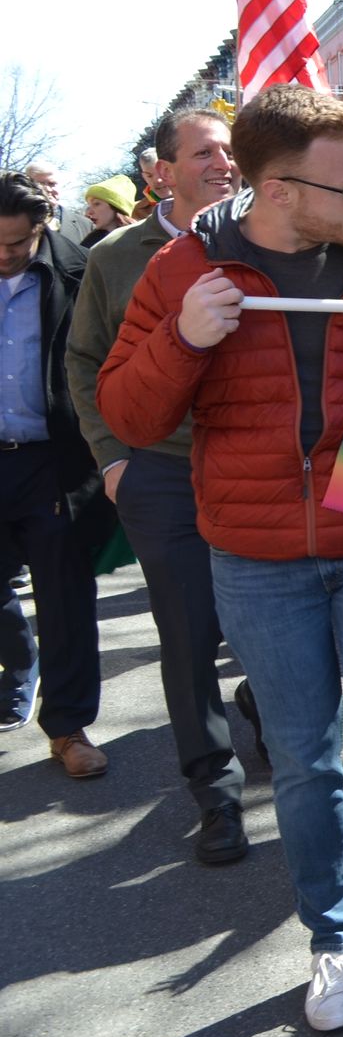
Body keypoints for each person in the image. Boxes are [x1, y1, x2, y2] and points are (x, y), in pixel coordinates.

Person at [99, 84, 343, 1030]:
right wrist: (184, 341)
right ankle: (336, 945)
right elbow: (127, 413)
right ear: (276, 190)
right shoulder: (183, 270)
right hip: (255, 558)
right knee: (307, 761)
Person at [66, 107, 255, 862]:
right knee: (186, 633)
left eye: (231, 152)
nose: (223, 164)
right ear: (162, 170)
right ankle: (215, 791)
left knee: (268, 622)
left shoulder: (265, 238)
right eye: (205, 151)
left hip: (254, 466)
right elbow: (84, 362)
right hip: (162, 472)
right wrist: (114, 459)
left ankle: (264, 705)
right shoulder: (116, 257)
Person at [0, 173, 105, 772]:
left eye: (16, 243)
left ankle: (68, 728)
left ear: (40, 228)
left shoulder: (81, 272)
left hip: (55, 463)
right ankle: (19, 663)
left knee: (65, 598)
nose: (4, 255)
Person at [80, 176, 138, 248]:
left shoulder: (142, 237)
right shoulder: (87, 246)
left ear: (116, 207)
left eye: (96, 204)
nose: (89, 212)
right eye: (89, 205)